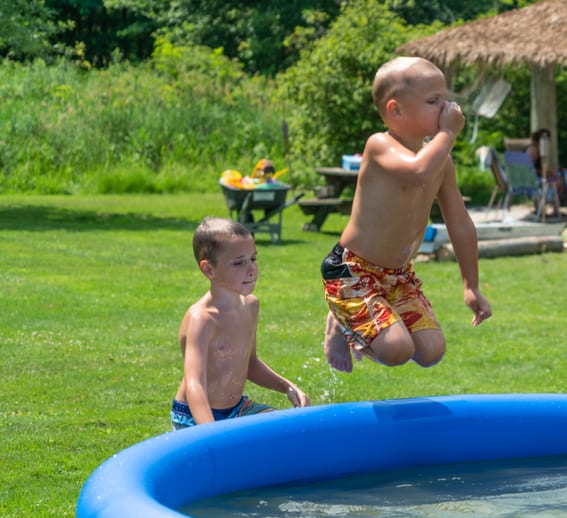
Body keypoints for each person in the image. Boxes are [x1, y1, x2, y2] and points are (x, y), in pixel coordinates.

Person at [322, 56, 492, 373]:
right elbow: (417, 171)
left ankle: (350, 320)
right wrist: (449, 134)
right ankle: (340, 323)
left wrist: (471, 284)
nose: (446, 109)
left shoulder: (442, 163)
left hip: (398, 276)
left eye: (445, 98)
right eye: (433, 101)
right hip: (352, 272)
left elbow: (460, 223)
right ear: (396, 110)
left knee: (431, 352)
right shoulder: (379, 146)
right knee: (397, 350)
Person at [171, 217, 309, 430]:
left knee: (284, 434)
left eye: (253, 259)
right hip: (194, 415)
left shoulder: (250, 306)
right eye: (239, 263)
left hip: (238, 408)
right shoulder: (203, 319)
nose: (251, 269)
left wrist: (288, 387)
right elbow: (195, 384)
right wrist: (210, 432)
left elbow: (250, 364)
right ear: (209, 270)